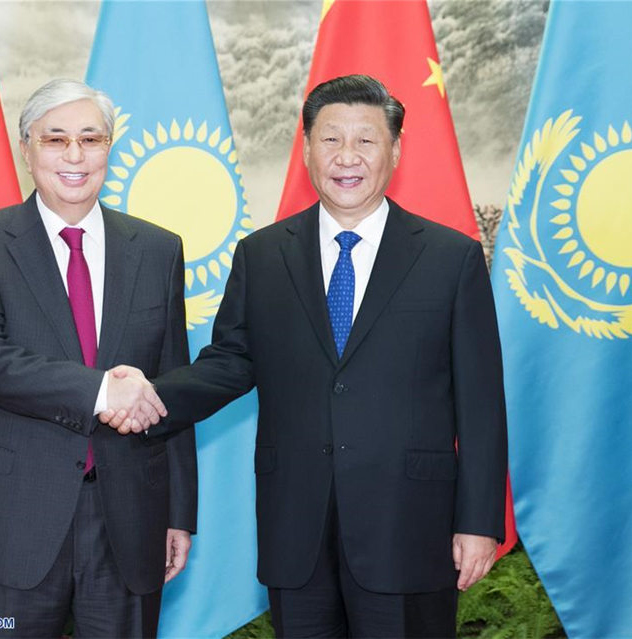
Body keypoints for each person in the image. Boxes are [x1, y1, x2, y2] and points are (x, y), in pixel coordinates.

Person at [103, 75, 507, 638]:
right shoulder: (263, 255)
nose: (347, 157)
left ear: (395, 150)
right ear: (307, 148)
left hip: (408, 526)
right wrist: (149, 396)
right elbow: (231, 362)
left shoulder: (451, 258)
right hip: (297, 527)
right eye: (330, 139)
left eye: (365, 141)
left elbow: (481, 403)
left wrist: (479, 522)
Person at [0, 79, 196, 639]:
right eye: (55, 139)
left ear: (108, 148)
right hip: (9, 515)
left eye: (90, 138)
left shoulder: (158, 249)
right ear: (26, 148)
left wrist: (178, 512)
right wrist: (100, 392)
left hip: (129, 518)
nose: (74, 155)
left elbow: (170, 385)